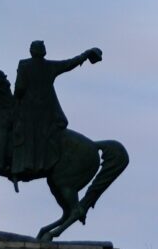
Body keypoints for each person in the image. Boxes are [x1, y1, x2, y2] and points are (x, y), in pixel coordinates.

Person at [10, 40, 102, 180]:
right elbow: (70, 63)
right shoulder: (50, 66)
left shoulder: (24, 65)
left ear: (31, 51)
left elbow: (20, 88)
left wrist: (15, 99)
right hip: (48, 113)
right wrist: (86, 54)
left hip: (29, 111)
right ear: (43, 52)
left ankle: (21, 166)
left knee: (16, 130)